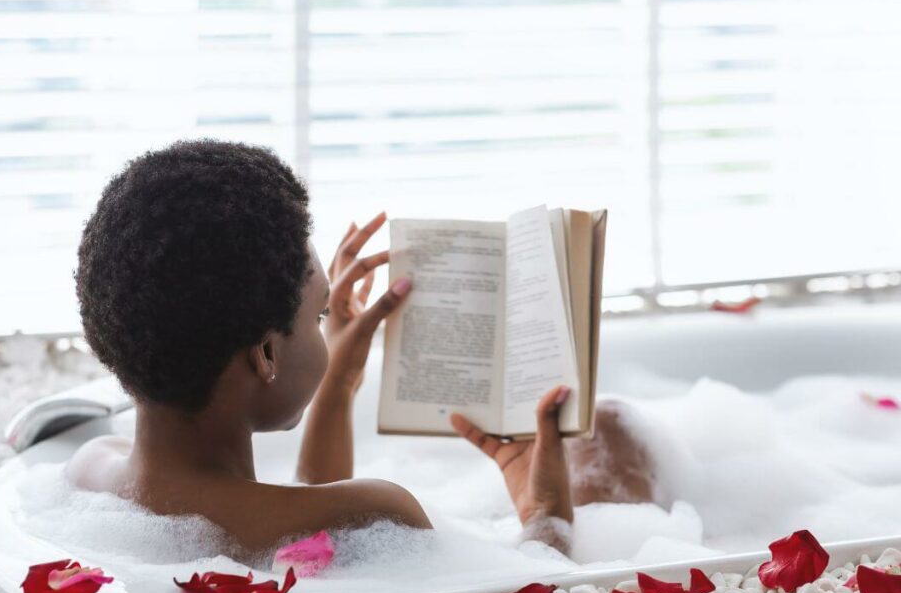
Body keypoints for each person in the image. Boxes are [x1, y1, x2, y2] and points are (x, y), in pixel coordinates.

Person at [65, 139, 654, 560]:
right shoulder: (378, 513)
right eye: (319, 315)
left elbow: (293, 515)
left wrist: (339, 386)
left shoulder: (90, 470)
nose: (327, 328)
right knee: (611, 431)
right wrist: (545, 516)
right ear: (266, 355)